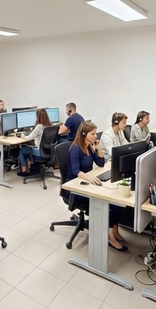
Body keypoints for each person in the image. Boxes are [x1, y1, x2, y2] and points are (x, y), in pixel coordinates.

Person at [66, 121, 128, 252]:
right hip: (74, 189)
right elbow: (75, 171)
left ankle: (114, 230)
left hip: (87, 183)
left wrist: (98, 148)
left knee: (117, 201)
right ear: (84, 134)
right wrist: (89, 177)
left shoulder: (89, 146)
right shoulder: (76, 148)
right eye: (93, 134)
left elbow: (100, 163)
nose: (96, 136)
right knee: (111, 203)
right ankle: (109, 237)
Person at [17, 108, 52, 176]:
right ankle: (31, 168)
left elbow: (28, 138)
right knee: (29, 147)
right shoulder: (50, 126)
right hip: (48, 151)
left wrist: (22, 136)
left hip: (40, 153)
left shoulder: (39, 127)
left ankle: (24, 171)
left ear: (38, 117)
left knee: (22, 151)